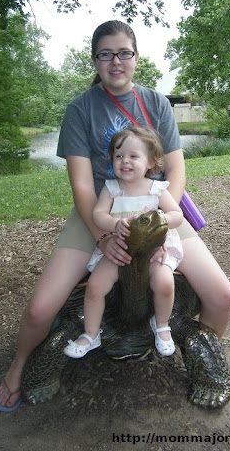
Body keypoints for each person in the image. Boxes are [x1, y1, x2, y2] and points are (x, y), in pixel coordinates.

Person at [0, 19, 230, 412]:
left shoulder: (156, 103)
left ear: (136, 57)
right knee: (41, 308)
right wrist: (103, 236)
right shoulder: (80, 109)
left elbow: (175, 172)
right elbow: (84, 187)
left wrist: (157, 224)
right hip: (100, 213)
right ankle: (19, 366)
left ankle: (213, 356)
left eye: (124, 52)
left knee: (221, 295)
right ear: (95, 61)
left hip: (156, 210)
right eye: (105, 54)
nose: (116, 61)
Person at [63, 127, 184, 359]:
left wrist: (161, 219)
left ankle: (161, 325)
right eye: (118, 156)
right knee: (96, 286)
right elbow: (98, 214)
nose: (125, 161)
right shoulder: (112, 189)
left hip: (151, 250)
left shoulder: (156, 189)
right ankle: (90, 333)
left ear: (150, 162)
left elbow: (177, 215)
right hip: (119, 250)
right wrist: (113, 224)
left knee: (165, 282)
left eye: (133, 156)